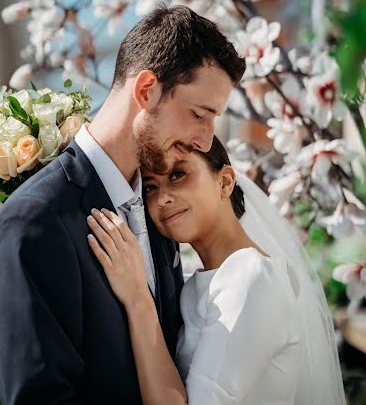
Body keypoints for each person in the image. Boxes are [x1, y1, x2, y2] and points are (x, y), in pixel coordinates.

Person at [0, 5, 246, 404]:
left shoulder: (158, 208)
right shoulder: (34, 220)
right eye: (199, 114)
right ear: (146, 90)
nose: (206, 141)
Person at [87, 136, 346, 405]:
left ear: (224, 182)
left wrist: (138, 298)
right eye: (150, 187)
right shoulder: (193, 285)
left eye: (178, 174)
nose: (162, 198)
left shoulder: (253, 278)